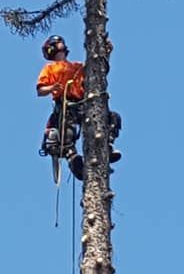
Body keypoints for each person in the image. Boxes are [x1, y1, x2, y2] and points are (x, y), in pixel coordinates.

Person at [37, 35, 121, 180]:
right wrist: (53, 87)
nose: (62, 44)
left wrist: (106, 53)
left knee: (112, 118)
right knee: (67, 135)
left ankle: (108, 145)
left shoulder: (76, 66)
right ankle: (75, 162)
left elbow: (97, 71)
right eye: (58, 43)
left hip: (83, 103)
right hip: (66, 105)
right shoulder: (49, 68)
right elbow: (40, 90)